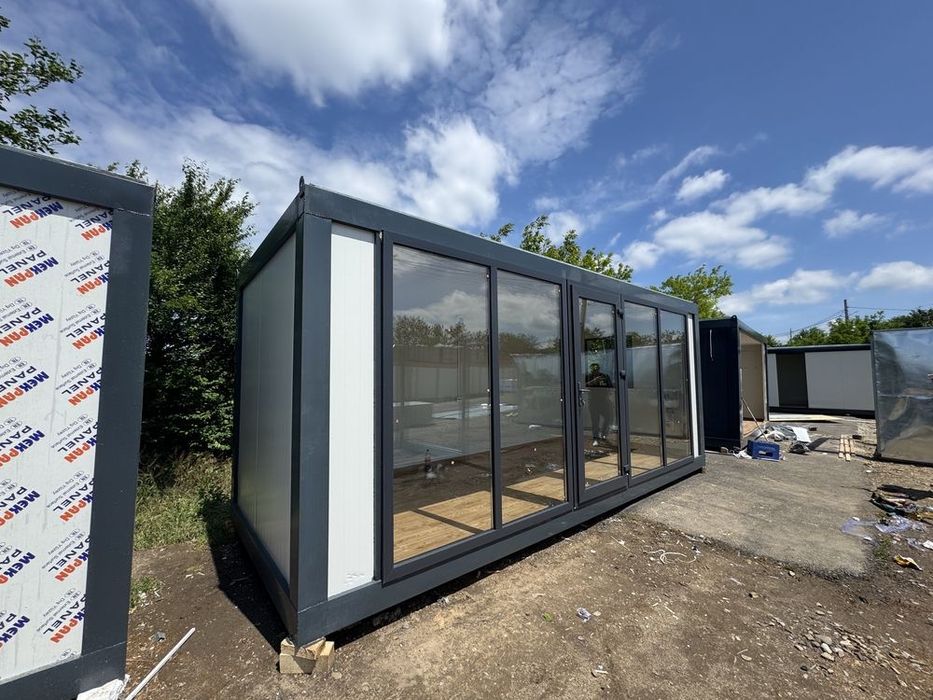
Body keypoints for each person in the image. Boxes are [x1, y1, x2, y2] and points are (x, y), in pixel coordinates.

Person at [585, 362, 613, 444]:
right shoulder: (588, 376)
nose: (595, 371)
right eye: (593, 370)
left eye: (596, 369)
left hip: (604, 400)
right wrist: (595, 381)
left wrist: (608, 394)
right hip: (593, 401)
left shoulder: (605, 376)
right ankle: (595, 438)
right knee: (595, 421)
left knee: (608, 417)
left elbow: (610, 386)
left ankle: (603, 434)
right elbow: (585, 386)